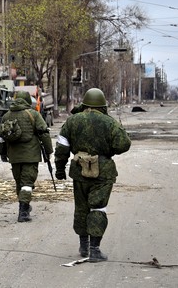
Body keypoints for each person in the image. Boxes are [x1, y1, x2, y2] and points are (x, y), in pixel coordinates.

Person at [54, 88, 131, 262]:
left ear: (85, 103)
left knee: (81, 207)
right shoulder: (109, 122)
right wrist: (108, 150)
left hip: (79, 171)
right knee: (98, 208)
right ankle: (95, 250)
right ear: (103, 105)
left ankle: (83, 245)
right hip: (103, 172)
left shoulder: (72, 121)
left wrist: (60, 169)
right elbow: (124, 144)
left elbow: (62, 147)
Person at [0, 90, 53, 222]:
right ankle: (23, 212)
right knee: (27, 183)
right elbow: (44, 133)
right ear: (28, 101)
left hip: (14, 156)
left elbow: (1, 138)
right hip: (31, 155)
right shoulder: (33, 114)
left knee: (19, 183)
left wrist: (3, 154)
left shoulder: (6, 116)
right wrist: (48, 151)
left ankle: (24, 206)